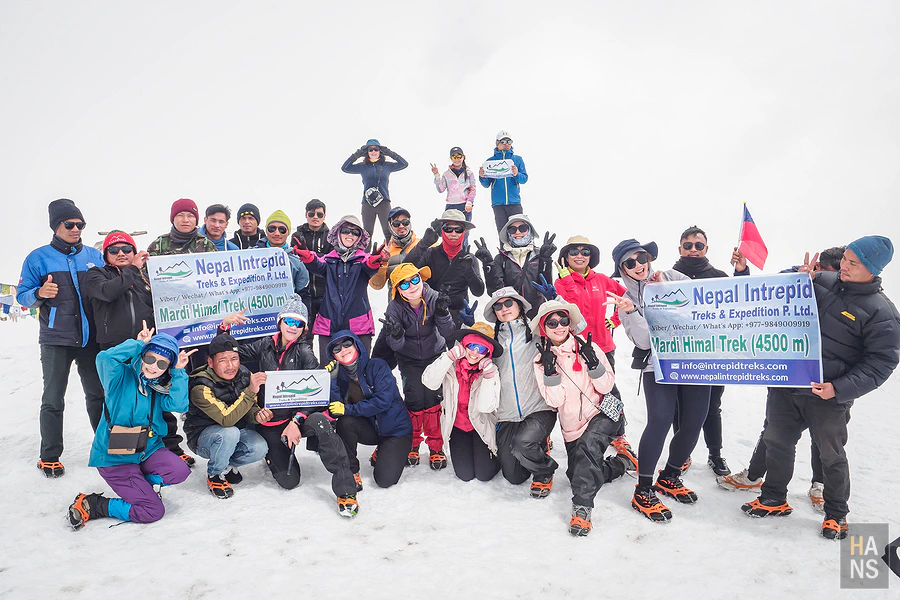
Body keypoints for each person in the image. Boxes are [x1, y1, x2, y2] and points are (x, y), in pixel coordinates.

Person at [740, 237, 899, 540]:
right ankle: (774, 497)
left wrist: (838, 389)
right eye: (845, 259)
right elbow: (771, 298)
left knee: (831, 455)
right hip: (788, 383)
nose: (844, 266)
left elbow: (880, 364)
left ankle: (836, 513)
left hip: (827, 395)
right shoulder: (822, 280)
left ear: (873, 269)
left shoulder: (882, 312)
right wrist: (795, 280)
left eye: (854, 263)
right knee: (777, 441)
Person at [718, 245, 846, 508]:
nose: (828, 282)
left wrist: (843, 385)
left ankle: (820, 486)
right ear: (818, 268)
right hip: (787, 380)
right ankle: (756, 477)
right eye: (823, 275)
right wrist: (743, 272)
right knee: (774, 434)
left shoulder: (847, 298)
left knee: (824, 440)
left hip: (826, 385)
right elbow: (755, 300)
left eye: (835, 278)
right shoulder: (794, 280)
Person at [217, 296, 358, 516]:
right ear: (280, 322)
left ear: (304, 327)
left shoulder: (305, 352)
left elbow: (315, 396)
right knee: (289, 481)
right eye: (289, 321)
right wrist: (224, 328)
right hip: (271, 422)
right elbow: (232, 354)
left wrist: (296, 421)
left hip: (297, 419)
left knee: (321, 423)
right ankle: (271, 453)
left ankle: (346, 491)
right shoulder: (265, 344)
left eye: (298, 323)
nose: (293, 327)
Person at [605, 239, 710, 523]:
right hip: (659, 365)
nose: (639, 265)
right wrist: (630, 311)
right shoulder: (624, 297)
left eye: (641, 258)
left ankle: (671, 475)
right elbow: (643, 339)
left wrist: (666, 288)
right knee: (660, 420)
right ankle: (643, 489)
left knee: (694, 422)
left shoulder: (673, 277)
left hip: (695, 360)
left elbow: (702, 308)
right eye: (630, 262)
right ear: (622, 269)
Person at [66, 326, 196, 529]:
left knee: (179, 471)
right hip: (114, 458)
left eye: (161, 363)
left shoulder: (159, 388)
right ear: (143, 356)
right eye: (150, 359)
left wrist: (179, 372)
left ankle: (139, 485)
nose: (153, 366)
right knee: (152, 511)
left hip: (147, 450)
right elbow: (104, 359)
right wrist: (139, 344)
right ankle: (96, 505)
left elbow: (179, 405)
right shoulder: (119, 377)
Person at [17, 199, 105, 477]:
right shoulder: (38, 258)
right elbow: (22, 295)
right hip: (56, 339)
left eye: (80, 224)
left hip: (90, 338)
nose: (76, 229)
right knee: (53, 398)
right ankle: (50, 455)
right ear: (56, 226)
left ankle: (104, 448)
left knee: (98, 395)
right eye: (70, 224)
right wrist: (39, 294)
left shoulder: (94, 255)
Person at [531, 299, 634, 536]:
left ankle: (582, 509)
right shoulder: (539, 361)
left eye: (564, 321)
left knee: (588, 449)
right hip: (572, 425)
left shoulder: (590, 347)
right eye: (553, 322)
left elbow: (607, 385)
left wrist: (594, 362)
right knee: (577, 473)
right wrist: (550, 372)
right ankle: (620, 464)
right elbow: (554, 402)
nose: (559, 326)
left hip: (601, 414)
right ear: (544, 328)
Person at [670, 225, 751, 477]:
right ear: (680, 248)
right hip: (677, 354)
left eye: (699, 245)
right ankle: (682, 455)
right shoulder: (666, 277)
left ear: (706, 248)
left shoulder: (718, 276)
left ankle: (715, 454)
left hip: (711, 354)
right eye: (688, 245)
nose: (693, 250)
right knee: (678, 406)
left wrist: (741, 272)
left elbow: (742, 300)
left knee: (711, 406)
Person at [146, 198, 217, 465]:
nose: (185, 220)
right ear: (173, 218)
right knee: (164, 383)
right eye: (181, 215)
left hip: (200, 327)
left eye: (190, 215)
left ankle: (201, 434)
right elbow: (146, 280)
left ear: (196, 220)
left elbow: (216, 282)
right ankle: (170, 446)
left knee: (198, 381)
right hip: (169, 327)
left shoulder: (205, 245)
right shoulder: (158, 245)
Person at [482, 287, 559, 498]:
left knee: (522, 443)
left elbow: (574, 328)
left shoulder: (537, 332)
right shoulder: (492, 340)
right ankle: (536, 446)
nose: (504, 309)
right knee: (514, 476)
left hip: (538, 408)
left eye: (509, 303)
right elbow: (471, 352)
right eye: (498, 306)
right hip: (508, 414)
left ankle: (544, 470)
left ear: (519, 306)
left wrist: (556, 303)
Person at [380, 263, 455, 468]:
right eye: (404, 284)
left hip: (434, 355)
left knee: (432, 398)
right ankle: (412, 444)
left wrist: (442, 313)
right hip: (409, 358)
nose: (412, 286)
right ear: (398, 290)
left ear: (421, 278)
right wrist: (395, 334)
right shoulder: (394, 307)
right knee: (414, 399)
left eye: (414, 279)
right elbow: (396, 345)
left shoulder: (434, 298)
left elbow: (448, 332)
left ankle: (436, 447)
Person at [185, 333, 269, 499]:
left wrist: (257, 415)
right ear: (210, 362)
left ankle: (226, 463)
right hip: (203, 437)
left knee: (259, 447)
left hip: (232, 432)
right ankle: (215, 475)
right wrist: (251, 391)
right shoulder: (201, 385)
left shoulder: (244, 374)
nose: (230, 365)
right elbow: (226, 419)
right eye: (222, 360)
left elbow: (249, 408)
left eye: (234, 358)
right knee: (230, 432)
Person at [326, 332, 414, 489]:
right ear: (333, 356)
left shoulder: (377, 366)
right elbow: (336, 410)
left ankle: (388, 451)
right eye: (337, 349)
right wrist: (331, 381)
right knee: (345, 422)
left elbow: (383, 402)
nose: (343, 350)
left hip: (396, 431)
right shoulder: (340, 376)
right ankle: (351, 471)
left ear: (356, 346)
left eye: (347, 344)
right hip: (372, 429)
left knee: (384, 480)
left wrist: (347, 409)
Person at [293, 215, 386, 361]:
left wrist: (374, 263)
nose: (350, 234)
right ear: (338, 233)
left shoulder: (363, 259)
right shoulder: (329, 259)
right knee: (329, 372)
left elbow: (369, 268)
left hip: (359, 324)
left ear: (359, 238)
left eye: (355, 232)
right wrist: (308, 257)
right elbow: (317, 265)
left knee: (359, 373)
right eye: (346, 230)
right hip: (328, 324)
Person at [422, 322, 501, 483]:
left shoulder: (491, 372)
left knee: (484, 475)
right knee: (464, 475)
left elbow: (485, 407)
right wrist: (448, 356)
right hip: (458, 427)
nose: (475, 353)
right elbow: (429, 382)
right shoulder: (450, 365)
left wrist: (488, 375)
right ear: (464, 345)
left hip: (480, 427)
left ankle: (496, 457)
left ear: (488, 354)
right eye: (472, 346)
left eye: (482, 349)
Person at [405, 209, 484, 326]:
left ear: (464, 232)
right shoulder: (430, 253)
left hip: (458, 317)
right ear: (442, 231)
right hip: (430, 315)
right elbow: (405, 269)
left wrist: (469, 272)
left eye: (458, 229)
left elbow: (478, 291)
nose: (453, 233)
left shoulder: (469, 258)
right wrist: (424, 243)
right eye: (448, 229)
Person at [474, 214, 555, 320]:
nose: (517, 232)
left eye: (523, 228)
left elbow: (546, 286)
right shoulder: (501, 258)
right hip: (511, 318)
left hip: (538, 316)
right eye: (512, 229)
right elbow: (494, 292)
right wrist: (488, 264)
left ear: (530, 231)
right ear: (508, 234)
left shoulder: (541, 254)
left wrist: (545, 260)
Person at [82, 231, 154, 350]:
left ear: (134, 252)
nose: (121, 253)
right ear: (106, 254)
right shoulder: (96, 274)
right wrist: (133, 268)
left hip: (145, 343)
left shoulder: (145, 277)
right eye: (113, 250)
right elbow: (108, 292)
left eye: (126, 249)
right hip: (114, 347)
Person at [341, 138, 409, 240]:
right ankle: (366, 256)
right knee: (367, 233)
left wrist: (389, 153)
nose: (373, 152)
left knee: (388, 231)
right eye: (370, 150)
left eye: (376, 149)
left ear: (380, 151)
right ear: (366, 152)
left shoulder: (386, 166)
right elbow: (345, 168)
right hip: (367, 203)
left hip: (384, 202)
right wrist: (357, 154)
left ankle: (390, 254)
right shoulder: (363, 166)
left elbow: (404, 164)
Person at [290, 200, 333, 348]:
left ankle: (326, 367)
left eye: (319, 214)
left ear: (324, 216)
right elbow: (293, 261)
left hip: (325, 294)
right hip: (304, 294)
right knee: (304, 334)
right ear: (306, 214)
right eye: (311, 213)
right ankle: (305, 367)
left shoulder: (331, 236)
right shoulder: (297, 234)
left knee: (327, 334)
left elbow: (330, 263)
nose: (315, 217)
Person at [478, 131, 528, 231]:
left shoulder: (517, 160)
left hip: (514, 202)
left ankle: (521, 247)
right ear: (497, 143)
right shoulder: (490, 161)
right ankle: (502, 247)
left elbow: (524, 179)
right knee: (502, 232)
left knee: (518, 231)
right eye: (503, 141)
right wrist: (482, 176)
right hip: (498, 203)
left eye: (509, 142)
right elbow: (486, 184)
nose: (506, 144)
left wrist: (516, 174)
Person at [368, 206, 420, 294]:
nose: (401, 226)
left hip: (420, 303)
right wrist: (379, 264)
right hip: (396, 304)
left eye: (405, 222)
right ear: (390, 226)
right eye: (396, 224)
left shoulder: (422, 244)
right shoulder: (386, 251)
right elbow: (377, 285)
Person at [257, 210, 310, 295]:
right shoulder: (251, 255)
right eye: (272, 229)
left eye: (282, 229)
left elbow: (304, 293)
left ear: (288, 232)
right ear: (266, 231)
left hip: (286, 307)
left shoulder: (296, 260)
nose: (277, 233)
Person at [431, 146, 476, 246]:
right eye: (454, 157)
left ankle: (463, 255)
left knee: (463, 233)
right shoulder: (446, 174)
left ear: (463, 157)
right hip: (450, 206)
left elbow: (472, 189)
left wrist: (469, 202)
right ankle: (448, 256)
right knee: (449, 232)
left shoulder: (469, 173)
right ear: (451, 159)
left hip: (464, 206)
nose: (457, 159)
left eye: (459, 156)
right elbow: (441, 189)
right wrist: (436, 175)